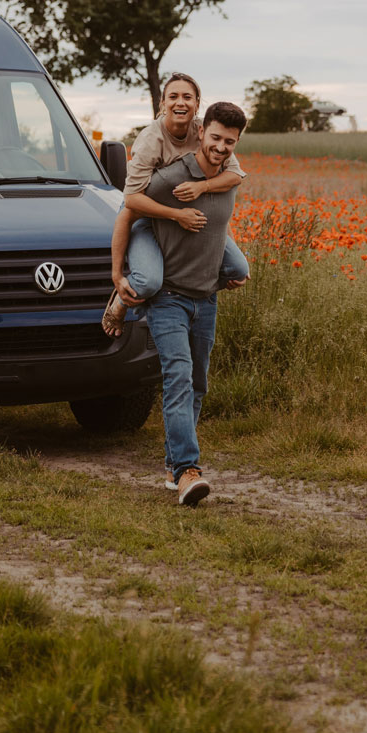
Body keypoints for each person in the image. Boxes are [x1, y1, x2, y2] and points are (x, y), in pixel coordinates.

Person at [140, 100, 248, 506]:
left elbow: (218, 232)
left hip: (206, 300)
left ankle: (173, 465)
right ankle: (188, 470)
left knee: (198, 383)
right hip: (168, 297)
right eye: (216, 137)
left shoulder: (229, 177)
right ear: (201, 131)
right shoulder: (171, 178)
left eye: (229, 142)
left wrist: (226, 274)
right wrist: (122, 275)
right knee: (179, 378)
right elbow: (130, 208)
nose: (221, 147)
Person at [102, 72, 250, 334]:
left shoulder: (206, 131)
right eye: (173, 96)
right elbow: (131, 201)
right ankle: (126, 301)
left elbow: (235, 175)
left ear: (197, 104)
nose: (180, 102)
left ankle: (192, 302)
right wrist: (117, 275)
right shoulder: (151, 140)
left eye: (187, 97)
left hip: (189, 210)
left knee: (238, 270)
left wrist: (201, 187)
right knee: (148, 282)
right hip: (146, 212)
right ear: (162, 103)